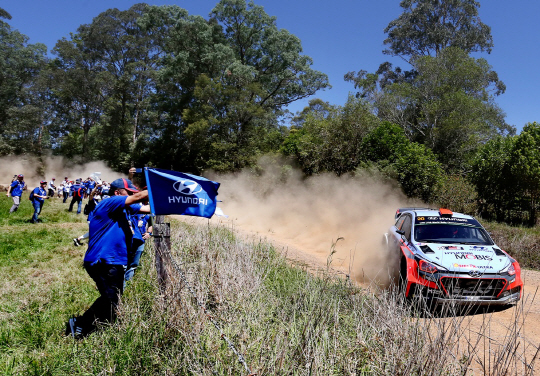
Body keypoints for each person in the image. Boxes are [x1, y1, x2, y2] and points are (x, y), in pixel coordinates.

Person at [66, 178, 150, 339]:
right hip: (102, 260)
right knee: (110, 297)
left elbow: (148, 208)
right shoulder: (111, 202)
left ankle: (103, 325)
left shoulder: (123, 209)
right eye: (129, 192)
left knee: (114, 296)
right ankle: (80, 324)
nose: (133, 194)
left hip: (115, 261)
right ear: (118, 193)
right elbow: (138, 198)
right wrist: (158, 190)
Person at [124, 213, 153, 283]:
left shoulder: (150, 211)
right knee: (123, 262)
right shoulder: (133, 206)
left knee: (134, 263)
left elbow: (151, 224)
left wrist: (149, 233)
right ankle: (119, 285)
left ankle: (128, 283)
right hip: (127, 239)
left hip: (140, 240)